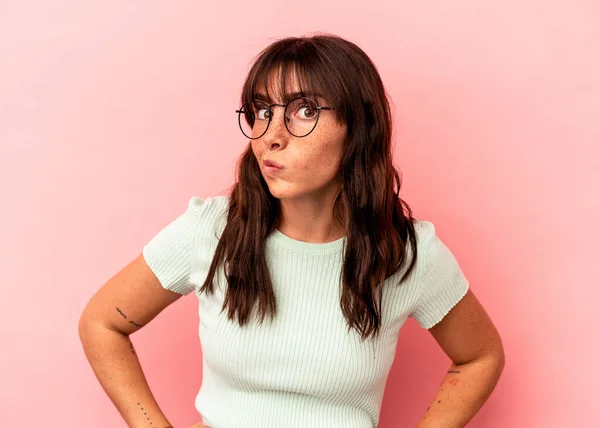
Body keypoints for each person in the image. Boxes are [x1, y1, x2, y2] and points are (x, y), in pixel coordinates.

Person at [79, 33, 504, 428]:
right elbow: (101, 322)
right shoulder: (211, 230)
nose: (271, 136)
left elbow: (480, 356)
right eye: (262, 112)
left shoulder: (406, 253)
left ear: (357, 127)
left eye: (304, 111)